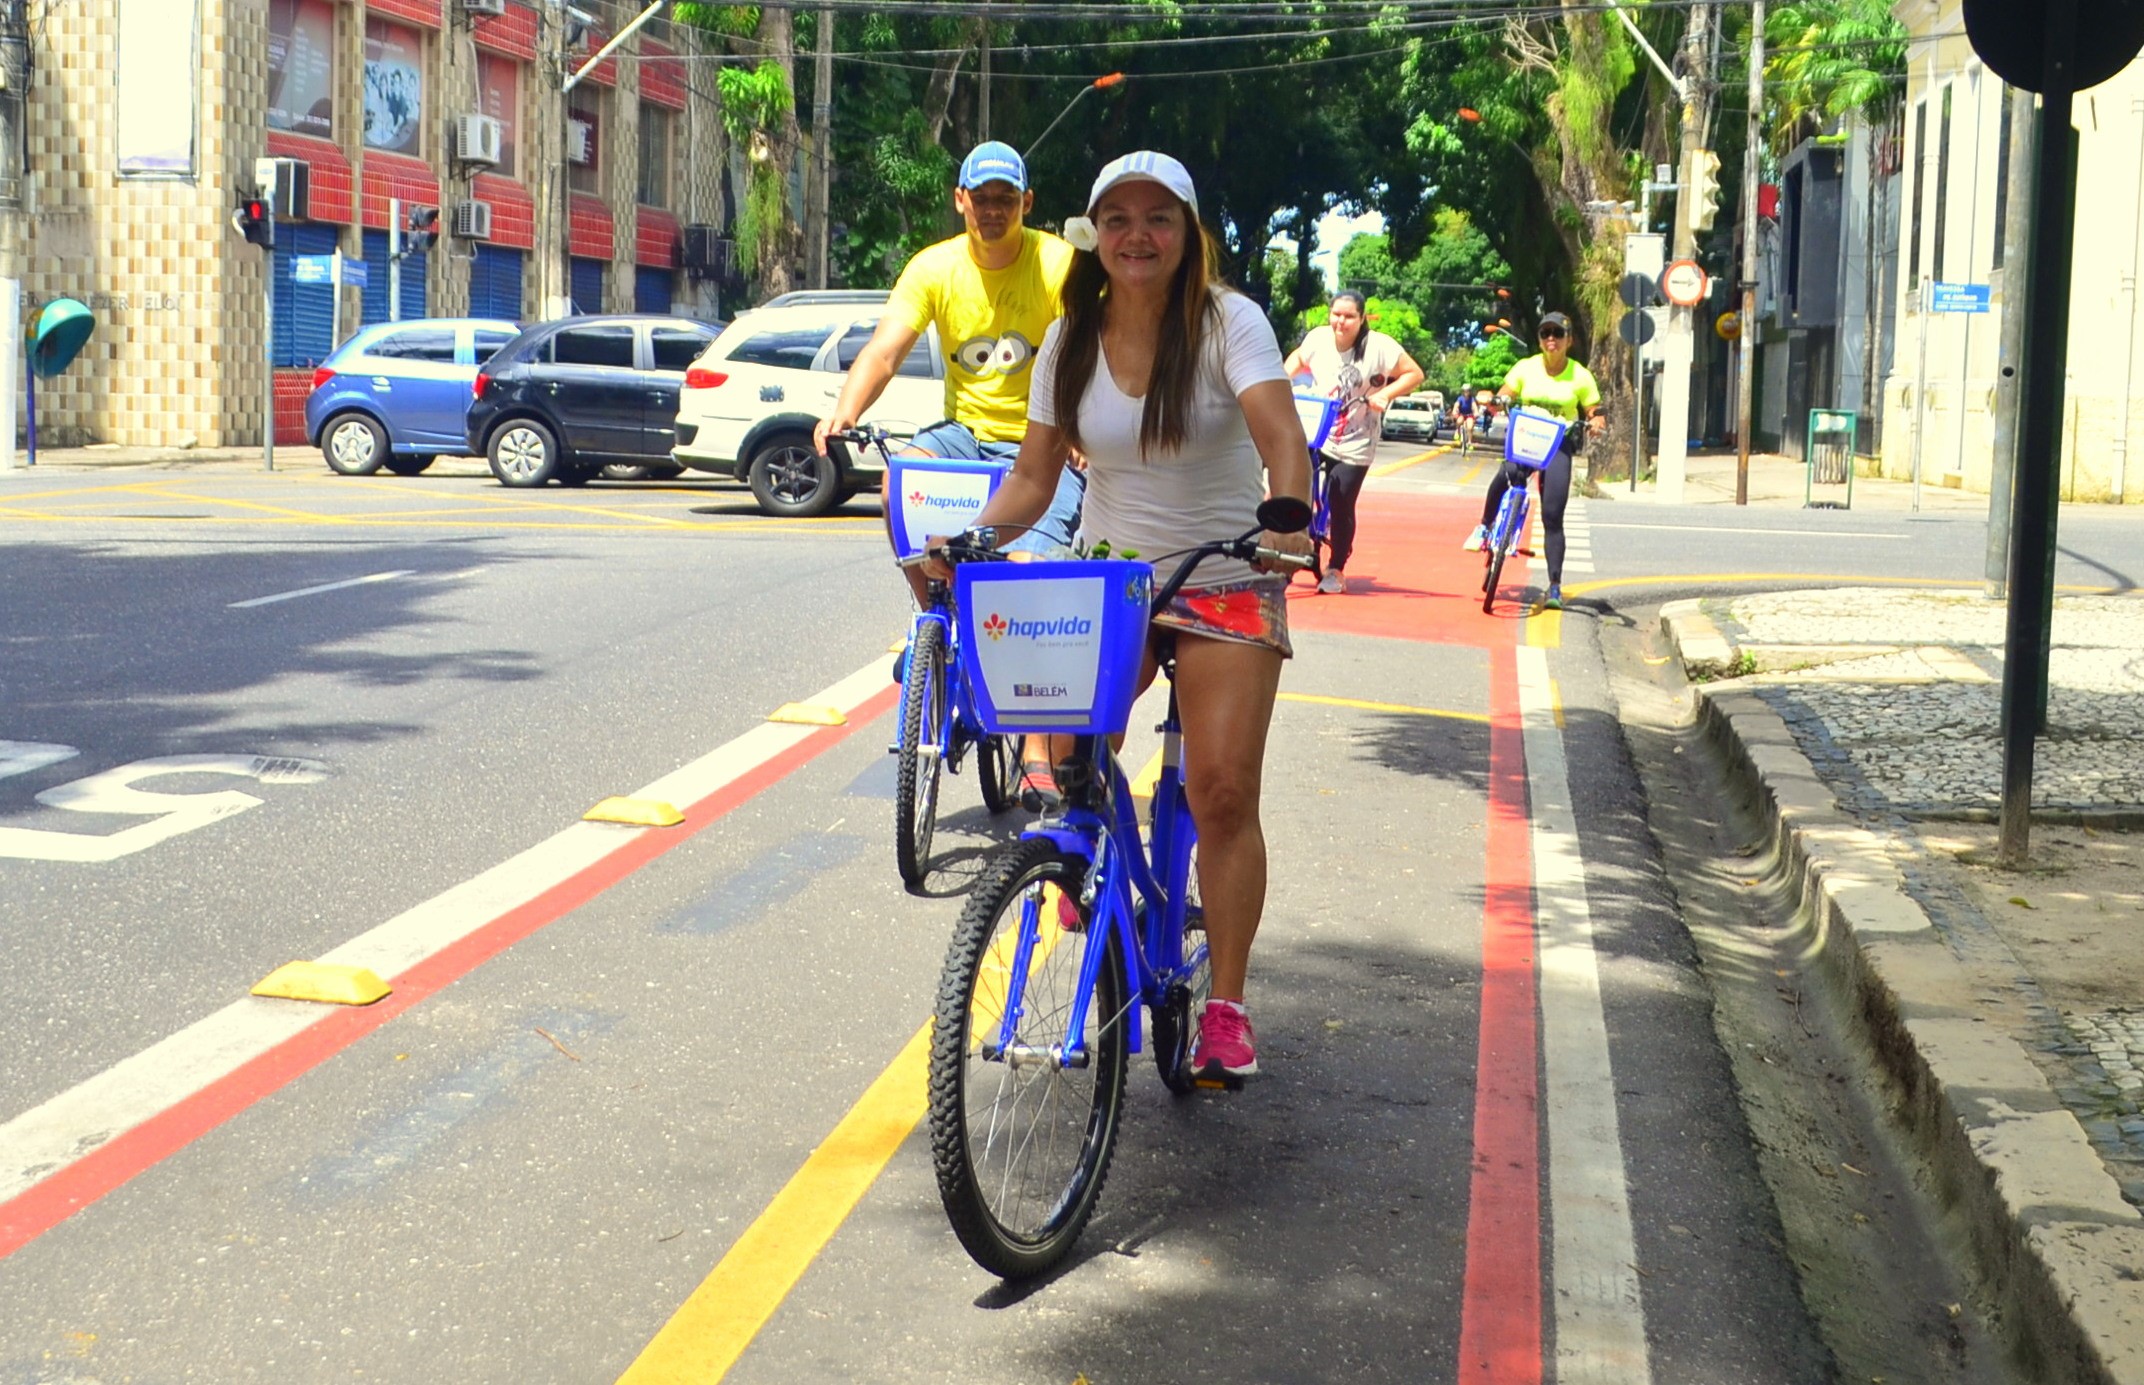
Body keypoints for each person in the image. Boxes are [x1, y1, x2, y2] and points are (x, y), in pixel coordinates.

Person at [925, 151, 1313, 1082]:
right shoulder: (1071, 337)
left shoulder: (1231, 322)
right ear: (1094, 234)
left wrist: (1290, 522)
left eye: (1159, 218)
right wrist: (968, 538)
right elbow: (1033, 474)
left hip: (1229, 567)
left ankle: (1224, 1004)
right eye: (1119, 219)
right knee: (1052, 752)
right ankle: (1080, 865)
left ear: (1186, 232)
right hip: (1112, 576)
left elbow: (1282, 441)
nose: (1138, 235)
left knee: (1221, 789)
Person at [814, 140, 1083, 804]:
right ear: (959, 200)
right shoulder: (933, 267)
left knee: (1028, 572)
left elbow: (1090, 349)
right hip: (963, 438)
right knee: (899, 480)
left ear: (1026, 203)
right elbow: (885, 349)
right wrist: (842, 412)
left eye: (1005, 199)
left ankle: (1037, 742)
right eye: (980, 198)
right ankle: (936, 617)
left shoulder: (1058, 263)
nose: (991, 210)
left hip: (1041, 441)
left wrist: (1082, 426)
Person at [1461, 311, 1606, 611]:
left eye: (1557, 333)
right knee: (1505, 475)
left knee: (1553, 515)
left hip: (1557, 443)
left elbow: (1594, 409)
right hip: (1526, 437)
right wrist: (1495, 400)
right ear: (1539, 340)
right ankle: (1485, 527)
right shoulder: (1526, 367)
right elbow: (1505, 393)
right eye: (1545, 334)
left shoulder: (1580, 375)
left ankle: (1554, 585)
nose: (1551, 339)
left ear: (1569, 340)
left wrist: (1597, 421)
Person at [1281, 292, 1424, 594]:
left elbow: (1414, 373)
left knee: (1342, 500)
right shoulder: (1318, 339)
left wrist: (1385, 394)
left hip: (1356, 439)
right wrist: (1284, 377)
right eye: (1336, 314)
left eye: (1348, 317)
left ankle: (1336, 568)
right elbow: (1298, 357)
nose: (1340, 322)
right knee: (1295, 486)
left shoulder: (1380, 347)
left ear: (1362, 319)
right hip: (1317, 430)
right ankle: (1295, 550)